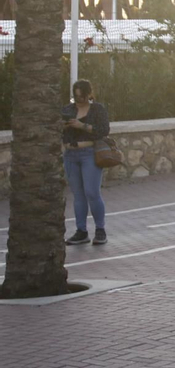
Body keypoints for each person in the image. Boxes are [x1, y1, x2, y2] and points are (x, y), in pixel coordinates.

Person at [61, 79, 112, 246]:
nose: (78, 100)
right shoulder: (68, 109)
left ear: (89, 95)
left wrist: (82, 126)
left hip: (89, 153)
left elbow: (103, 130)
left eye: (81, 97)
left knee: (92, 192)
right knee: (78, 195)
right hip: (71, 154)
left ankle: (100, 229)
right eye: (75, 97)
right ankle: (81, 231)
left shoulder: (97, 109)